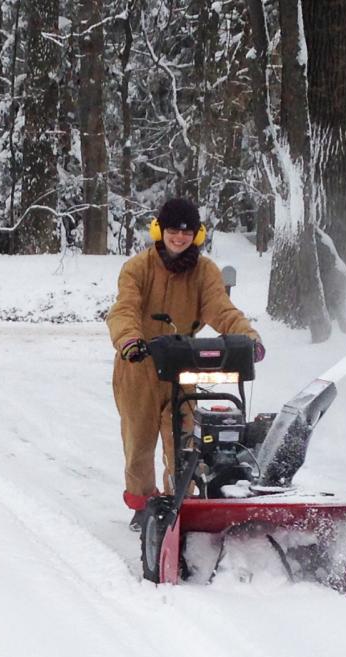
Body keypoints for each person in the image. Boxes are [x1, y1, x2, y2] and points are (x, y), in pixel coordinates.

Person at [106, 197, 265, 530]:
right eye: (173, 230)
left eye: (187, 231)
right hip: (140, 365)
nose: (179, 237)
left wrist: (248, 339)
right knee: (139, 440)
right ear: (159, 230)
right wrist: (130, 340)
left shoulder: (204, 271)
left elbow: (221, 310)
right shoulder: (138, 268)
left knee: (184, 438)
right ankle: (144, 504)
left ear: (197, 234)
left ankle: (181, 501)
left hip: (182, 363)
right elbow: (124, 310)